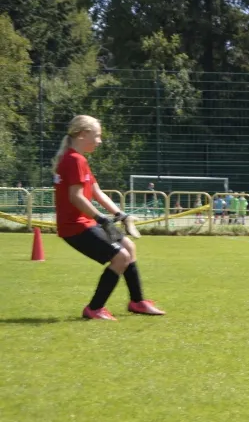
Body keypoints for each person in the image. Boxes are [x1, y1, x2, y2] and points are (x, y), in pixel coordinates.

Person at [53, 115, 165, 320]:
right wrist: (101, 219)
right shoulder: (74, 160)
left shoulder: (78, 159)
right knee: (120, 257)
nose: (100, 141)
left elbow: (97, 192)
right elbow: (76, 197)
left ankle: (138, 302)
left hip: (85, 223)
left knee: (129, 247)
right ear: (83, 134)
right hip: (75, 227)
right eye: (97, 136)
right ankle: (94, 308)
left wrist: (120, 215)